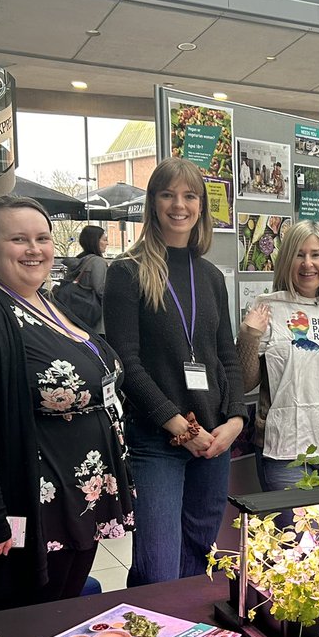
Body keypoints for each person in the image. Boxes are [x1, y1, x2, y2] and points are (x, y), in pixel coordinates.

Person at [0, 196, 134, 611]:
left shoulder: (44, 301)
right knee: (22, 624)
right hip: (18, 514)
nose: (34, 249)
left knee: (58, 623)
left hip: (74, 503)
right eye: (18, 239)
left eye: (42, 238)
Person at [103, 158, 246, 585]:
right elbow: (126, 363)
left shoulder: (210, 277)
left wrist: (235, 420)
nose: (178, 205)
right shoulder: (127, 273)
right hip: (158, 441)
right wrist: (180, 426)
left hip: (214, 443)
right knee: (159, 568)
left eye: (189, 195)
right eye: (167, 194)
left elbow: (227, 355)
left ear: (201, 205)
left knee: (200, 555)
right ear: (152, 202)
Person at [238, 220, 319, 490]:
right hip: (285, 449)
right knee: (293, 532)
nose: (308, 263)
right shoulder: (267, 308)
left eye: (316, 254)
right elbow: (245, 383)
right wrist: (249, 336)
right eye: (299, 254)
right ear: (286, 261)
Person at [59, 225, 109, 332]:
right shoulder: (98, 262)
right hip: (94, 320)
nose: (107, 243)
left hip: (76, 316)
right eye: (104, 240)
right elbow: (102, 291)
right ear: (95, 241)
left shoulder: (78, 261)